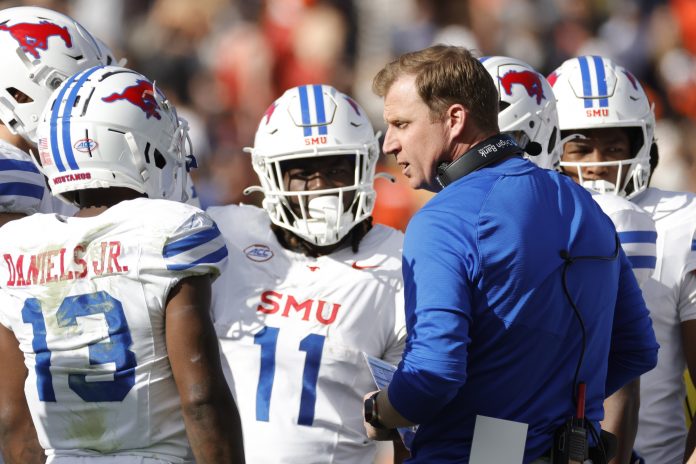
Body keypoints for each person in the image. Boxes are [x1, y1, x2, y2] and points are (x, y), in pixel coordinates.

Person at [363, 44, 658, 463]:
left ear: (454, 119)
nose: (389, 142)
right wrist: (542, 414)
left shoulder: (442, 219)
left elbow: (433, 376)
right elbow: (636, 349)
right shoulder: (585, 204)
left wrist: (381, 410)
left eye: (400, 123)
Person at [0, 65, 244, 464]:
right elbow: (201, 400)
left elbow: (12, 420)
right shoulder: (168, 232)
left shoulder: (13, 247)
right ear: (133, 146)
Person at [208, 84, 408, 463]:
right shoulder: (226, 236)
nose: (320, 189)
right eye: (301, 172)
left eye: (336, 170)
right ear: (271, 174)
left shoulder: (398, 263)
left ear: (364, 165)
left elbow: (411, 429)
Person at [482, 55, 657, 464]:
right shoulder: (458, 211)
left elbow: (621, 362)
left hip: (526, 425)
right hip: (488, 421)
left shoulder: (607, 214)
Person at [551, 55, 696, 464]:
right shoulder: (524, 216)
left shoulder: (683, 222)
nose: (598, 163)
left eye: (614, 146)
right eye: (580, 147)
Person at [0, 6, 200, 212]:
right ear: (19, 95)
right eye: (70, 87)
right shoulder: (13, 167)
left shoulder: (53, 170)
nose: (89, 100)